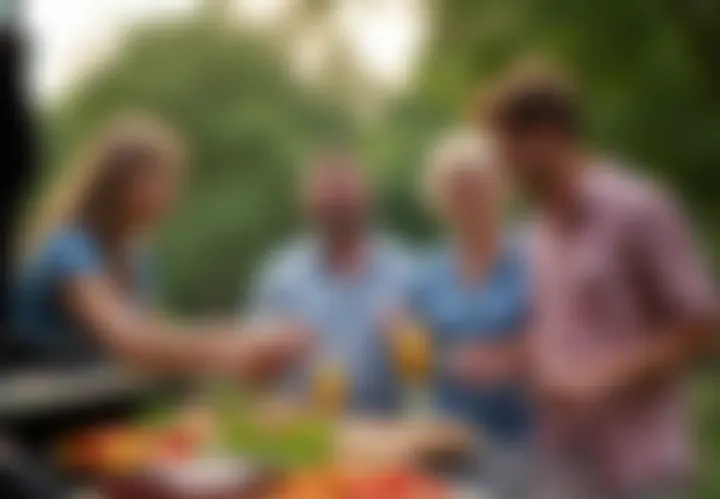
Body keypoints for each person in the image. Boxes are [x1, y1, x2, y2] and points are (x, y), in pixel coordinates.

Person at [479, 63, 717, 499]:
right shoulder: (541, 232)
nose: (502, 166)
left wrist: (597, 381)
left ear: (550, 134)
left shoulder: (639, 208)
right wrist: (504, 359)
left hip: (637, 471)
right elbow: (566, 337)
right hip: (566, 470)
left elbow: (701, 325)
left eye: (507, 148)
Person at [12, 114, 310, 379]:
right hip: (32, 424)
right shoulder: (68, 248)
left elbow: (158, 340)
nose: (173, 194)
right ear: (126, 183)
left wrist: (241, 347)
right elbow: (129, 340)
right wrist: (242, 343)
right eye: (164, 179)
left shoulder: (135, 257)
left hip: (92, 414)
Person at [248, 151, 416, 413]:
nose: (338, 205)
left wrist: (406, 342)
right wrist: (272, 350)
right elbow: (253, 370)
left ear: (369, 197)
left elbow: (437, 375)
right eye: (328, 197)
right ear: (305, 203)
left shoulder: (406, 272)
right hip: (304, 431)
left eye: (345, 194)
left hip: (386, 430)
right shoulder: (281, 275)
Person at [406, 130, 531, 444]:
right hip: (448, 438)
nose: (468, 198)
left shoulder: (534, 259)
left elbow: (562, 339)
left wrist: (502, 362)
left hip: (523, 437)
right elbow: (419, 352)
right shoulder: (428, 273)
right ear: (441, 199)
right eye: (457, 189)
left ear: (502, 188)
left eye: (477, 185)